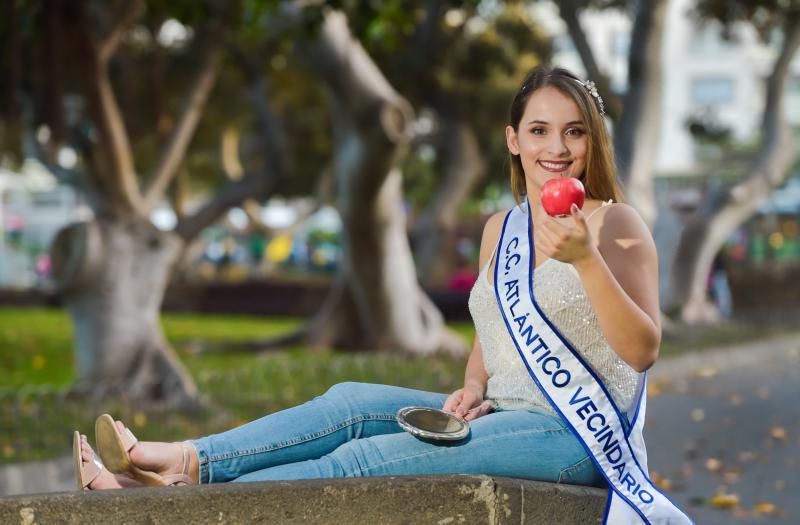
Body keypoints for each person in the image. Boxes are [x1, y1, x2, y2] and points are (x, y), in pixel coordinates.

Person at [74, 66, 666, 511]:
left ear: (593, 142)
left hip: (574, 436)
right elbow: (497, 327)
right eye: (539, 131)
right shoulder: (502, 230)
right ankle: (182, 462)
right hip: (497, 415)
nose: (557, 150)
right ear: (514, 140)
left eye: (573, 133)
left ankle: (164, 508)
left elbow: (642, 350)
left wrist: (588, 263)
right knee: (348, 403)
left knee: (364, 461)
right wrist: (471, 383)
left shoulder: (614, 225)